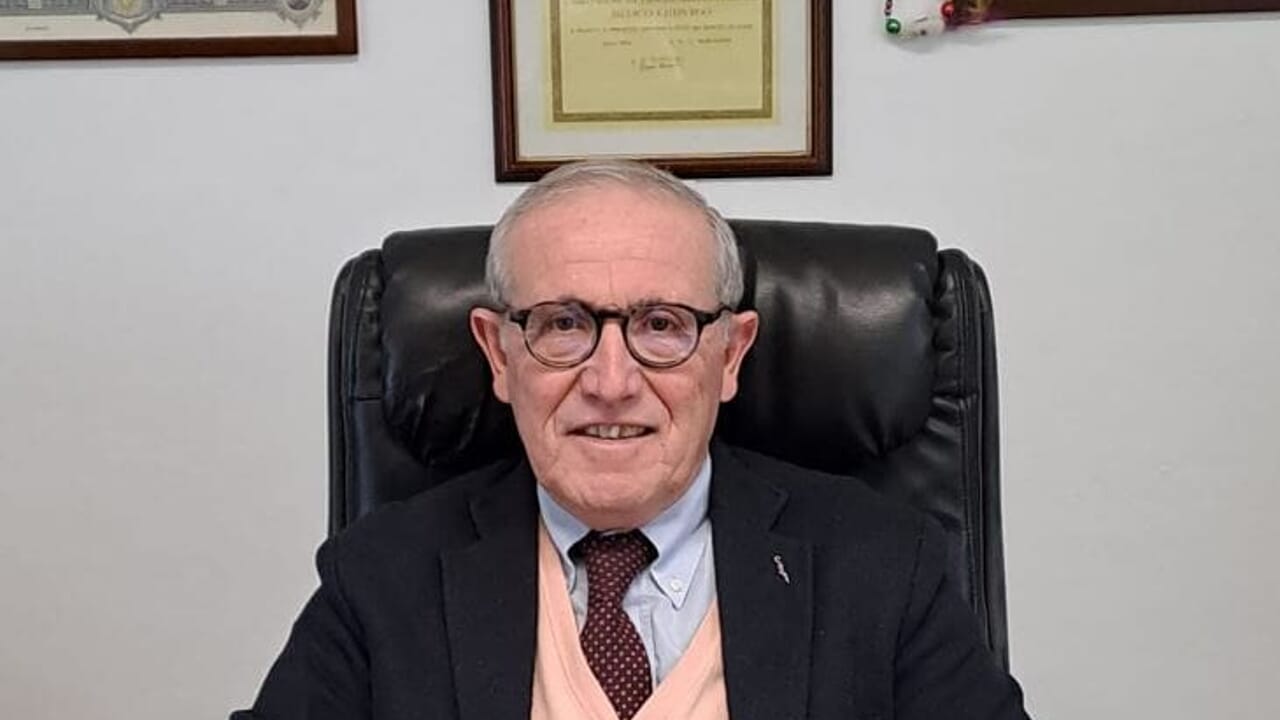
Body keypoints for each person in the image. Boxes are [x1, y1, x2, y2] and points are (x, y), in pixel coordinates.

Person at [233, 159, 1031, 719]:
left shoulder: (884, 565)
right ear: (498, 355)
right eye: (562, 324)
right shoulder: (380, 578)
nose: (611, 381)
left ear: (731, 355)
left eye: (661, 325)